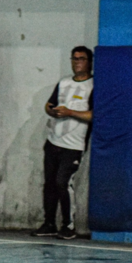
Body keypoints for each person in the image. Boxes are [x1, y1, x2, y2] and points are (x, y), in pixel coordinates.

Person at [31, 46, 94, 240]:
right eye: (74, 59)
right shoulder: (64, 82)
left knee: (62, 183)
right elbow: (50, 104)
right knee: (49, 183)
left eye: (81, 59)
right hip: (53, 141)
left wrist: (71, 113)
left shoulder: (94, 86)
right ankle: (49, 223)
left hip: (73, 146)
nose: (77, 62)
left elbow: (94, 115)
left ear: (89, 62)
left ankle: (68, 225)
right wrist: (52, 111)